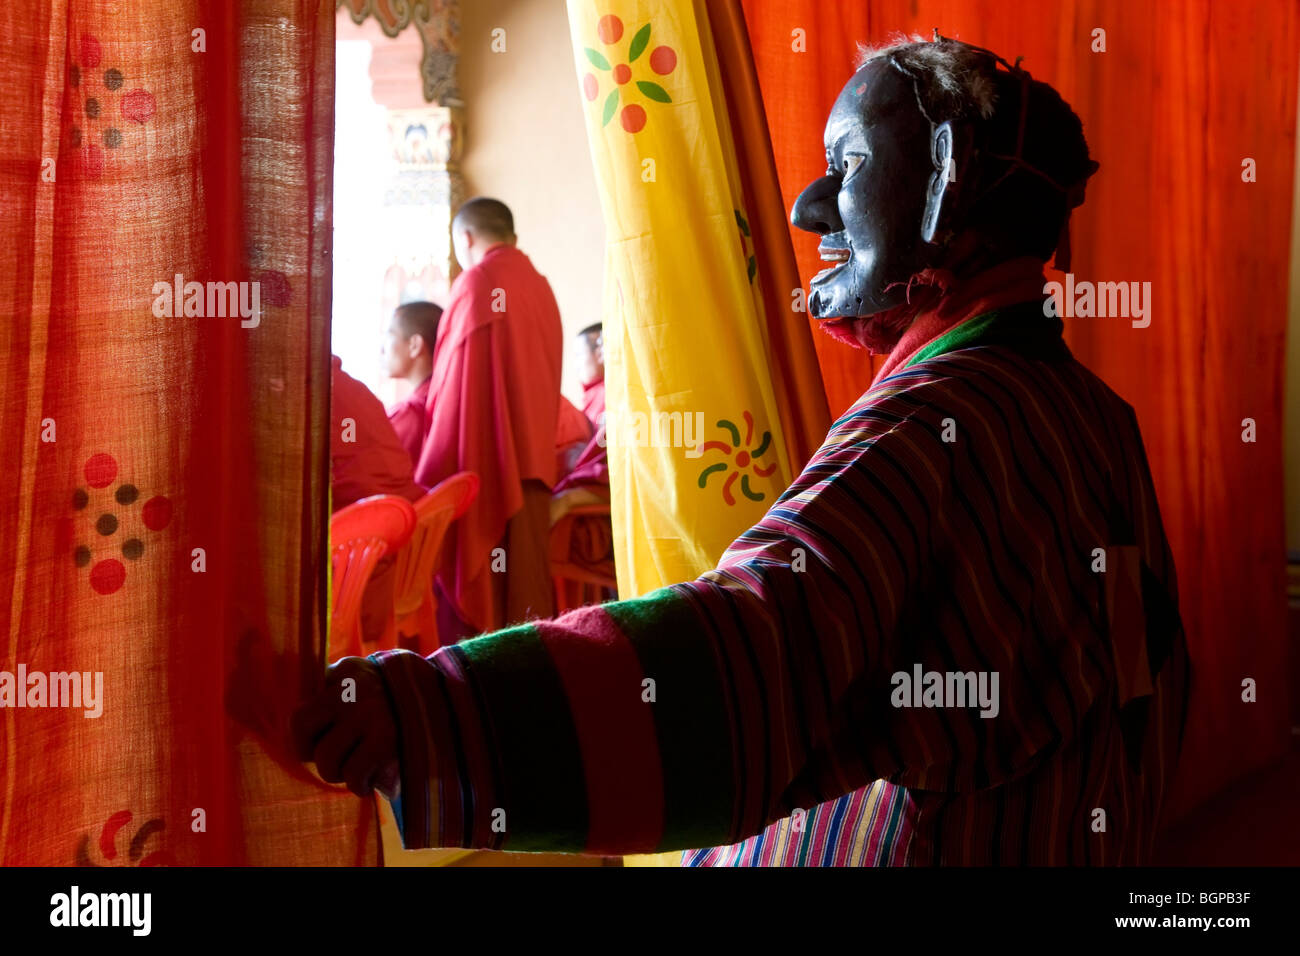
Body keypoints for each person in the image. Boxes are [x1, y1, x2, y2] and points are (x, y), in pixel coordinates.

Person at [296, 36, 1190, 865]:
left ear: (943, 190)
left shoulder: (933, 425)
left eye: (849, 167)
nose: (810, 208)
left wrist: (417, 712)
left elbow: (738, 664)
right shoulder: (1095, 413)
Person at [412, 197, 563, 640]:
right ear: (511, 237)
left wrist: (431, 470)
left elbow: (451, 388)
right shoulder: (541, 286)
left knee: (486, 613)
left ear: (465, 238)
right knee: (525, 599)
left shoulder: (477, 281)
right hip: (535, 465)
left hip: (487, 468)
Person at [329, 354, 424, 645]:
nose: (382, 351)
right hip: (402, 558)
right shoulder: (356, 389)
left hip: (357, 575)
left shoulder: (306, 394)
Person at [382, 301, 442, 469]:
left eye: (389, 336)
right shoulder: (443, 396)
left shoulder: (411, 413)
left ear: (415, 345)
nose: (382, 349)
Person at [575, 322, 605, 427]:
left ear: (600, 353)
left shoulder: (607, 397)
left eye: (579, 355)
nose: (577, 365)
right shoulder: (593, 397)